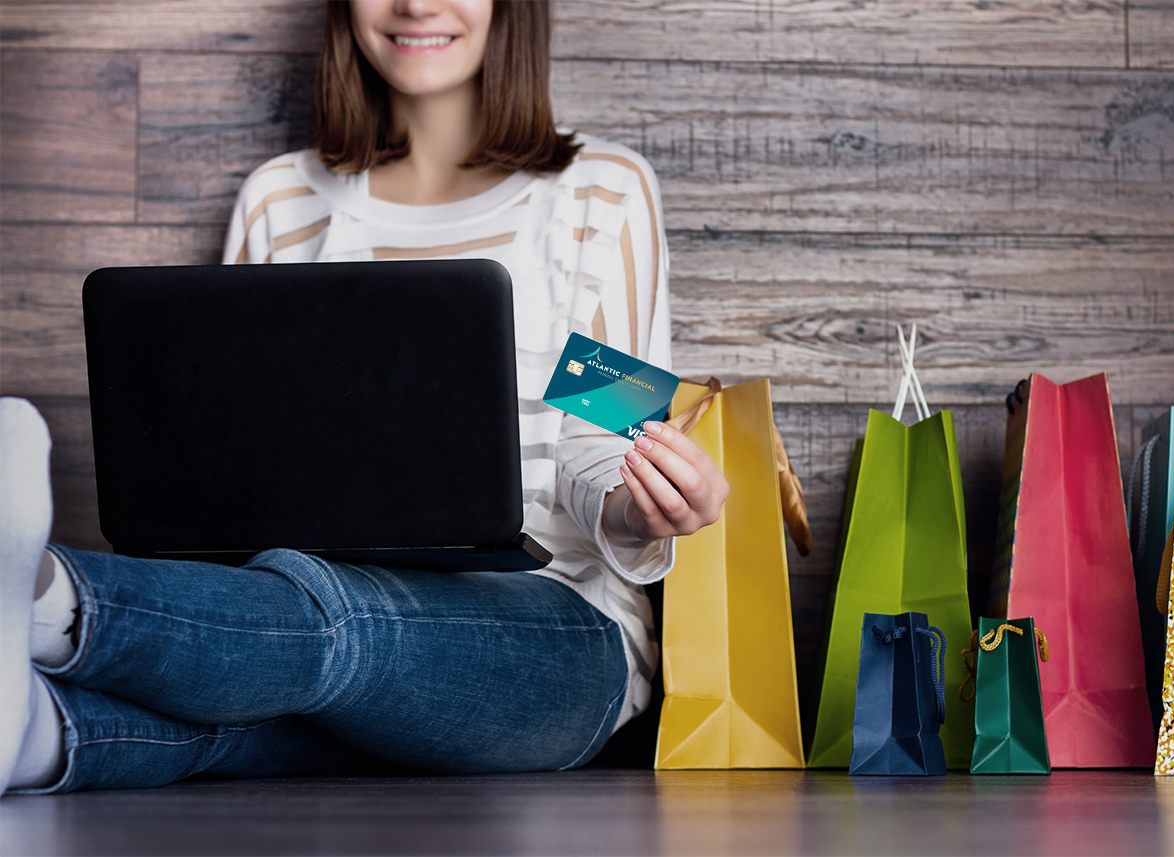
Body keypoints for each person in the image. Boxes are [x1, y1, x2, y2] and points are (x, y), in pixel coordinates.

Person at [0, 0, 728, 795]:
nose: (415, 3)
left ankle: (46, 591)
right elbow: (234, 471)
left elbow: (604, 435)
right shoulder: (281, 201)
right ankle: (37, 731)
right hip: (296, 618)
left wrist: (638, 506)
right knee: (282, 688)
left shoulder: (599, 196)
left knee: (332, 623)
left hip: (557, 633)